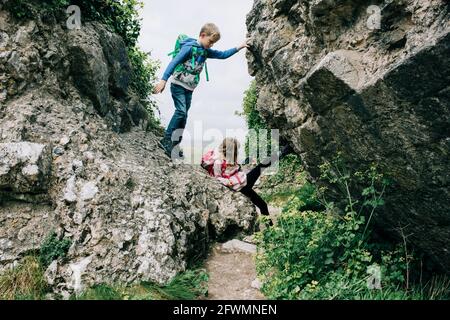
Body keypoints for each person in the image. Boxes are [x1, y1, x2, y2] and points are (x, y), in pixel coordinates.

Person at [153, 23, 249, 158]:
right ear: (203, 36)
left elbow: (222, 55)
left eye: (213, 43)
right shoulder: (189, 48)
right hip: (178, 85)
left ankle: (175, 145)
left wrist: (240, 46)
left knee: (184, 116)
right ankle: (166, 141)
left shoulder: (205, 51)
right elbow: (174, 62)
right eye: (210, 41)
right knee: (180, 112)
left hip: (189, 89)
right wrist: (163, 80)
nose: (211, 45)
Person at [202, 137, 290, 226]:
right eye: (236, 149)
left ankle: (270, 229)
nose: (237, 152)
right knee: (260, 167)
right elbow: (218, 177)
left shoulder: (228, 156)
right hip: (240, 186)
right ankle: (283, 152)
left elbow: (233, 170)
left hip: (242, 183)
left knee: (263, 205)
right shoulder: (218, 162)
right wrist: (229, 182)